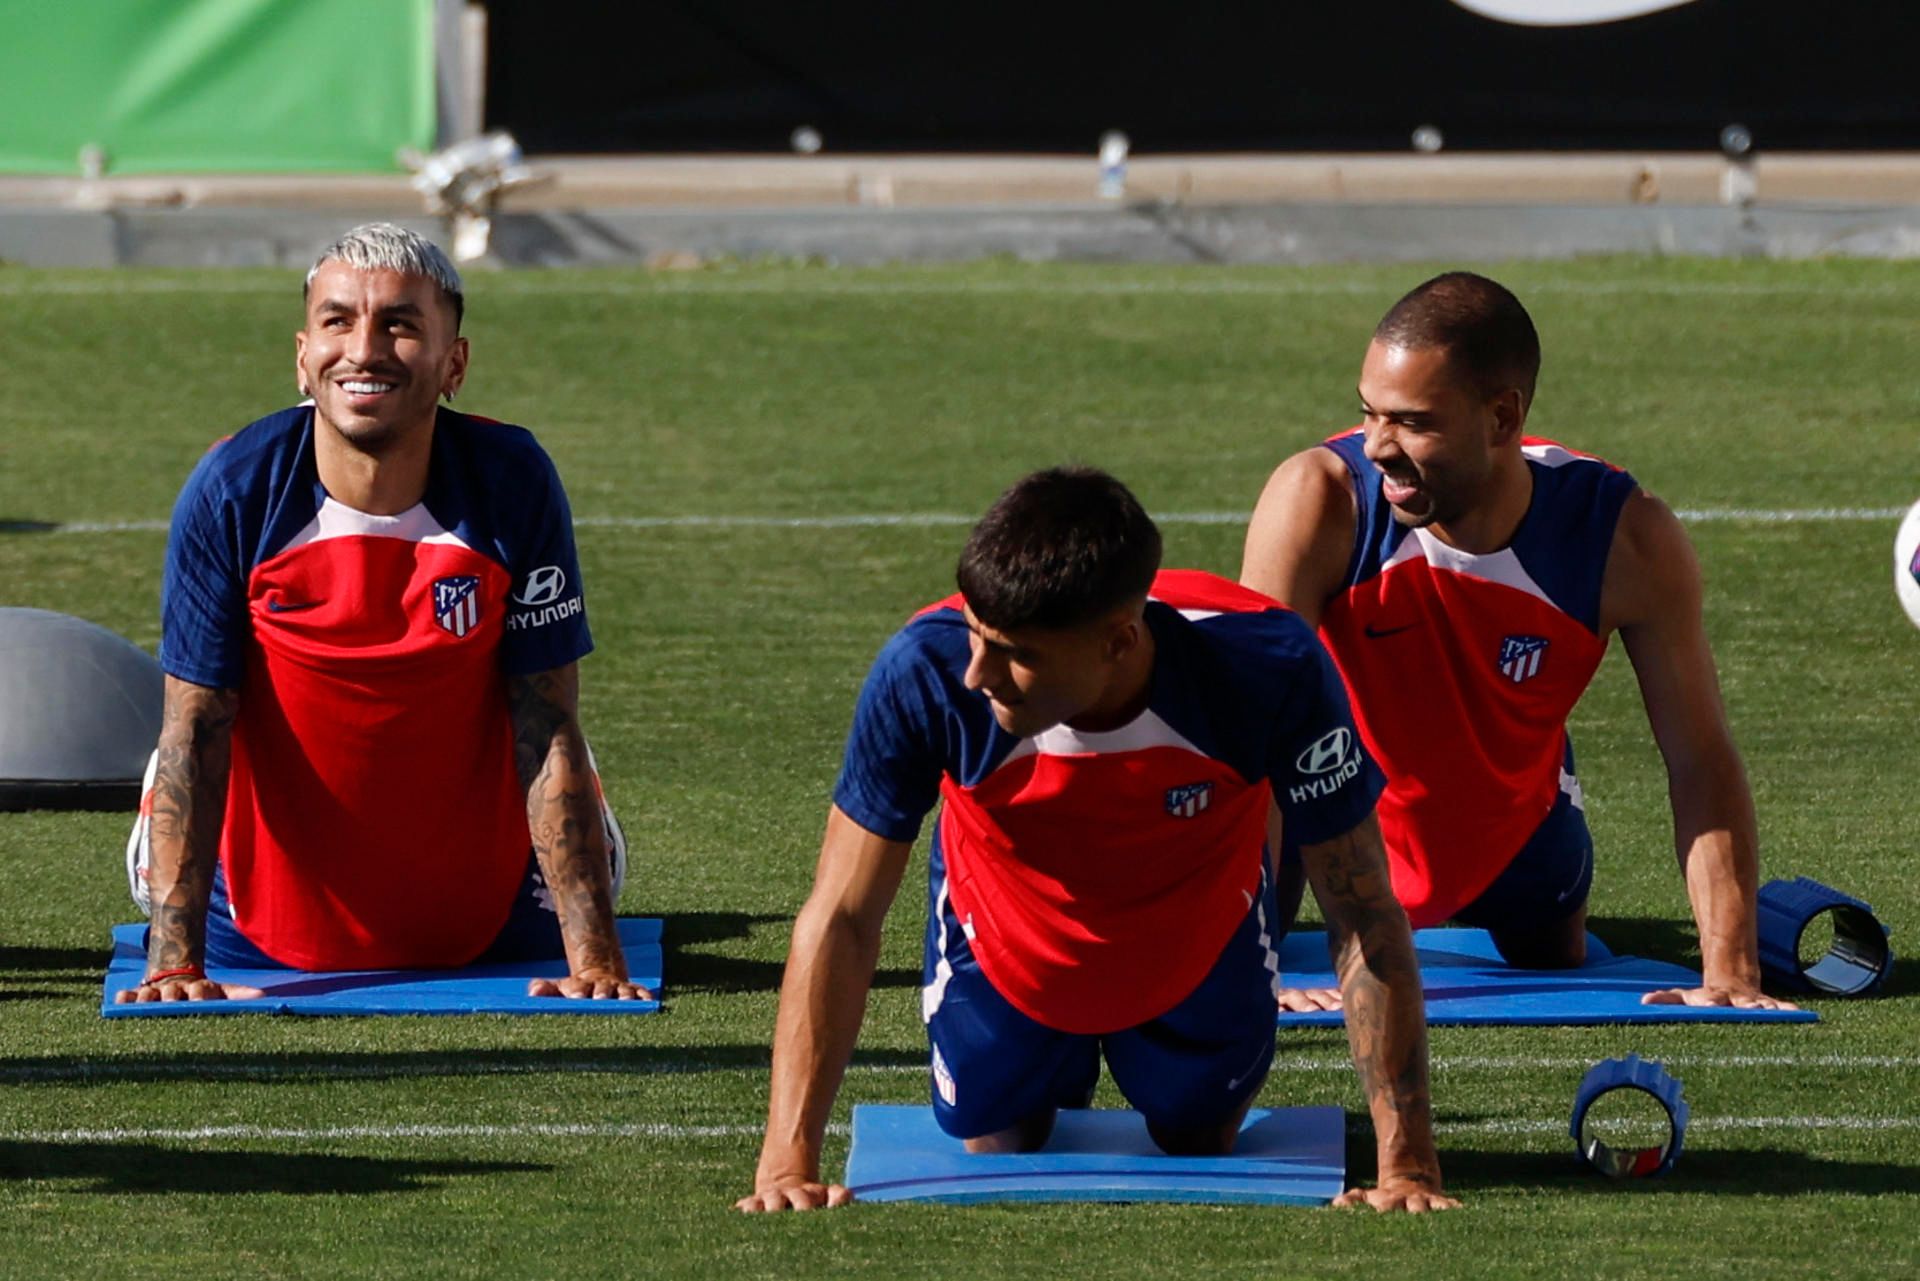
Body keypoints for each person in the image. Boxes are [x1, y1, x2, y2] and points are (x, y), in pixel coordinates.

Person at [738, 467, 1455, 1214]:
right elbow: (843, 914)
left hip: (1198, 939)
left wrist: (1407, 1167)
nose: (977, 673)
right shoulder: (926, 669)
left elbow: (1362, 909)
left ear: (1119, 641)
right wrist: (787, 1163)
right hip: (1007, 944)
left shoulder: (1265, 667)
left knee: (1199, 1136)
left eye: (1015, 652)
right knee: (1000, 1136)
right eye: (976, 633)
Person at [118, 222, 647, 1002]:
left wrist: (596, 961)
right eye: (338, 321)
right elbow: (196, 723)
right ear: (303, 357)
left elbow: (546, 717)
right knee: (178, 749)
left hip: (497, 908)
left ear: (453, 363)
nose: (363, 350)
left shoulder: (511, 480)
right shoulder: (235, 486)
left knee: (563, 749)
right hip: (247, 913)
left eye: (399, 325)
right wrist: (173, 965)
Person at [1240, 271, 1793, 1012]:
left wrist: (1730, 972)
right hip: (1334, 806)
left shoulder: (1623, 537)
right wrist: (1248, 966)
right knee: (1257, 938)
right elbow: (1249, 734)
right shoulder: (1318, 499)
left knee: (1553, 952)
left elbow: (1699, 755)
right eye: (1368, 413)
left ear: (1503, 417)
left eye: (1411, 422)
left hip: (1512, 816)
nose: (1376, 446)